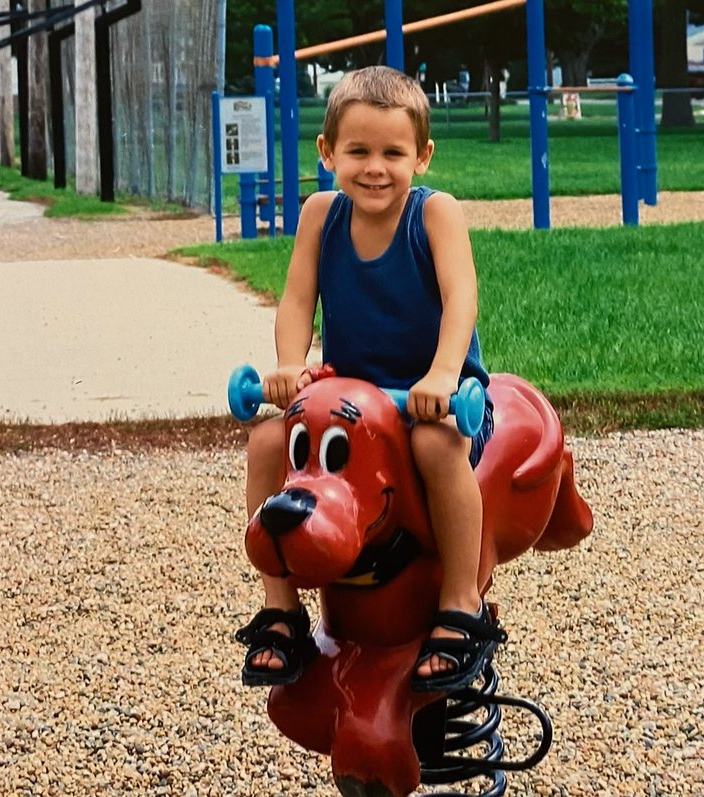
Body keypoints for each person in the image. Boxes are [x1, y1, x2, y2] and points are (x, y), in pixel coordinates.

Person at [234, 65, 503, 694]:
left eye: (392, 152)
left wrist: (441, 375)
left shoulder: (435, 216)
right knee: (268, 444)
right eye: (357, 151)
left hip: (430, 397)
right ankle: (281, 608)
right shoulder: (320, 215)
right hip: (346, 401)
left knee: (436, 447)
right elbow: (298, 298)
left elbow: (461, 297)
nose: (374, 167)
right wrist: (291, 365)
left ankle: (461, 605)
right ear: (327, 153)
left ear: (422, 157)